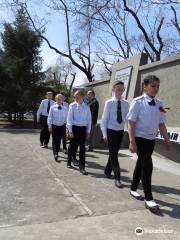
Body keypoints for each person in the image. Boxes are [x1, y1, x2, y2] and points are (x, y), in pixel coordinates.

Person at [127, 75, 170, 214]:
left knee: (141, 163)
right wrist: (132, 141)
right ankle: (149, 198)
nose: (156, 89)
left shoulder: (160, 103)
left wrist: (166, 139)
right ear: (145, 86)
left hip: (151, 140)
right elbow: (131, 122)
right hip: (140, 139)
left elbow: (161, 123)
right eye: (153, 86)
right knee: (148, 165)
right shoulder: (137, 102)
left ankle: (133, 189)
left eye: (158, 86)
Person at [100, 81, 129, 188]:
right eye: (118, 89)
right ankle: (117, 178)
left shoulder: (126, 103)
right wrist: (104, 134)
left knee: (114, 152)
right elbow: (104, 119)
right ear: (114, 89)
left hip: (120, 131)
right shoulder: (109, 103)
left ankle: (107, 170)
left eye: (122, 89)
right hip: (110, 131)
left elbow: (127, 118)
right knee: (114, 155)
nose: (120, 91)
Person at [67, 89, 92, 175]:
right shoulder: (72, 105)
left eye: (77, 96)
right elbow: (69, 119)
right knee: (72, 147)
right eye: (74, 96)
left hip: (83, 129)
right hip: (74, 129)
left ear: (82, 97)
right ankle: (69, 161)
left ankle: (82, 167)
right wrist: (70, 130)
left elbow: (89, 120)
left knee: (82, 149)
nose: (75, 98)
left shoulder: (86, 107)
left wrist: (88, 131)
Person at [47, 94, 68, 162]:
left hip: (62, 126)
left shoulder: (65, 108)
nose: (59, 100)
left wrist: (67, 127)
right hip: (54, 126)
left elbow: (67, 118)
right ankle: (55, 153)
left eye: (61, 99)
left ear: (63, 100)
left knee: (59, 140)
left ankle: (57, 151)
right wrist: (50, 126)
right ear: (56, 99)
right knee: (55, 140)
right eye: (58, 99)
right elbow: (49, 117)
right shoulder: (52, 107)